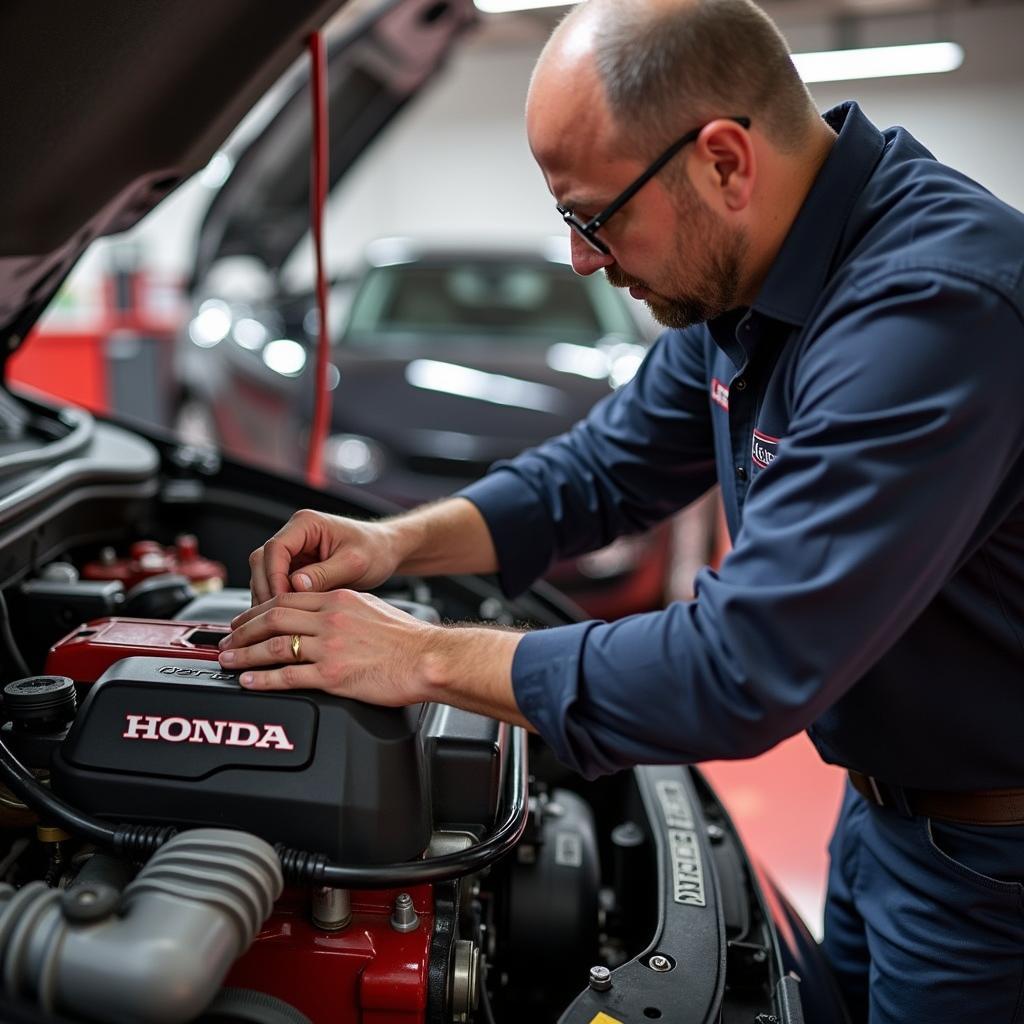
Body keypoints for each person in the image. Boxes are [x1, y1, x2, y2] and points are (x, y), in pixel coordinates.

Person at [217, 0, 1024, 1020]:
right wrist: (394, 540)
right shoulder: (753, 276)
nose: (581, 259)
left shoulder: (931, 312)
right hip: (883, 815)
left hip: (992, 871)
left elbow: (741, 666)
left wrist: (419, 655)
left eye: (592, 217)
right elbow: (598, 470)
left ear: (724, 162)